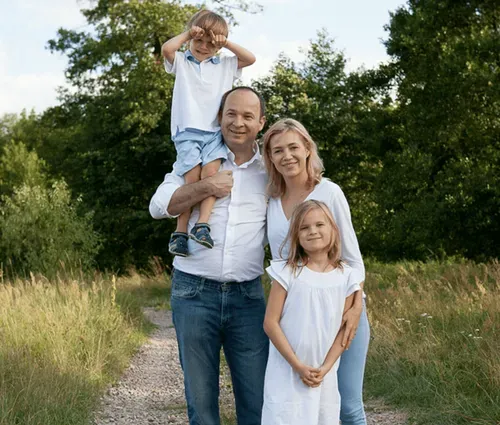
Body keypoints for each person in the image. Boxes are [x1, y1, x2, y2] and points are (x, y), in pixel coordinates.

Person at [149, 87, 268, 425]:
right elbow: (160, 206)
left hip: (248, 297)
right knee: (201, 404)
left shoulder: (269, 169)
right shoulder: (195, 157)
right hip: (193, 294)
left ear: (261, 122)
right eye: (231, 114)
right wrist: (208, 186)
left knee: (257, 400)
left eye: (247, 116)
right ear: (219, 117)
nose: (238, 122)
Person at [262, 118, 370, 425]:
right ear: (270, 157)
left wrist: (356, 307)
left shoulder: (329, 192)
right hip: (296, 319)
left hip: (341, 311)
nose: (287, 156)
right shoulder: (271, 200)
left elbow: (354, 259)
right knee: (298, 408)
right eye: (278, 150)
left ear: (308, 149)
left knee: (346, 406)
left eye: (294, 147)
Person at [162, 9, 256, 257]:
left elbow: (251, 58)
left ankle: (202, 225)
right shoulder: (182, 62)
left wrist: (226, 43)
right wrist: (185, 34)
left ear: (218, 46)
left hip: (215, 133)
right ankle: (180, 232)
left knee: (211, 176)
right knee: (192, 182)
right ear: (192, 38)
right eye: (199, 41)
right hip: (188, 132)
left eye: (210, 43)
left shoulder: (225, 65)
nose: (204, 47)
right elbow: (167, 50)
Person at [262, 200, 362, 424]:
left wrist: (325, 368)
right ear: (296, 235)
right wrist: (297, 365)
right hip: (286, 372)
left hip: (323, 374)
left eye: (319, 224)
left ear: (333, 230)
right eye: (304, 227)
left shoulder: (347, 276)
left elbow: (344, 331)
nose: (313, 231)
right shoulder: (286, 272)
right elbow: (270, 323)